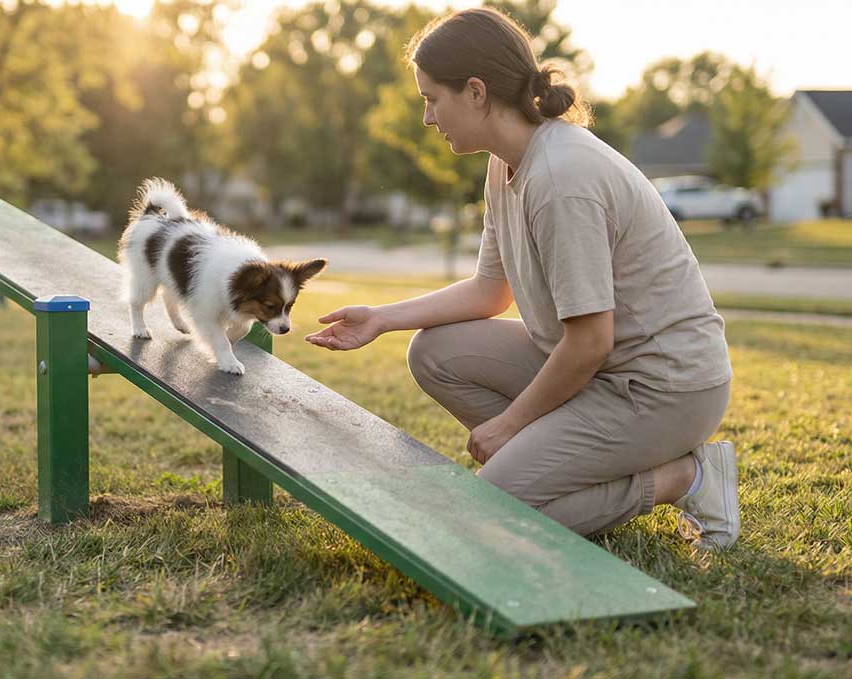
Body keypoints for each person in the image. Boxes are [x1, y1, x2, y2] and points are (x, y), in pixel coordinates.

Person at [304, 7, 739, 549]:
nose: (427, 119)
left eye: (431, 99)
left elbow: (590, 341)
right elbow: (491, 292)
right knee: (433, 352)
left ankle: (683, 477)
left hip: (662, 389)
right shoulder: (503, 162)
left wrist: (510, 426)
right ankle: (559, 463)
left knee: (486, 517)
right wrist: (382, 319)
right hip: (601, 373)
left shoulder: (562, 177)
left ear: (477, 93)